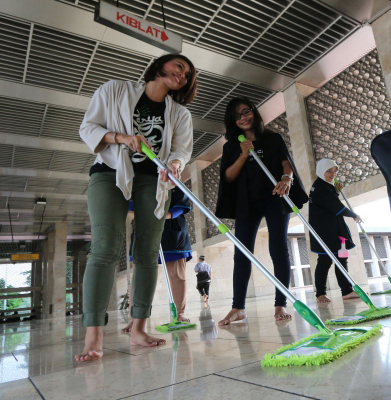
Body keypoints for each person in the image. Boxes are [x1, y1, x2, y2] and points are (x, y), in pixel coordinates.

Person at [76, 54, 197, 362]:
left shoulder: (180, 113)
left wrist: (174, 164)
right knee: (105, 245)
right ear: (160, 66)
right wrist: (122, 138)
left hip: (153, 180)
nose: (182, 75)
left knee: (147, 251)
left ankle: (139, 328)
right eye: (179, 67)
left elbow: (182, 149)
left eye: (187, 74)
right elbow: (88, 127)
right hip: (109, 171)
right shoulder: (114, 90)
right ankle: (93, 335)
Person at [215, 98, 308, 324]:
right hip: (246, 201)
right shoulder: (231, 147)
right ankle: (238, 308)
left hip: (275, 197)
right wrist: (243, 154)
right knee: (242, 253)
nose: (243, 118)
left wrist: (286, 178)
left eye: (246, 112)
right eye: (237, 116)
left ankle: (280, 304)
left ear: (254, 113)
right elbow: (228, 177)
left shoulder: (273, 138)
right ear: (232, 122)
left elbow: (286, 163)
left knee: (278, 249)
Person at [122, 187, 194, 333]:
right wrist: (146, 216)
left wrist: (165, 216)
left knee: (177, 275)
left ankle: (179, 315)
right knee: (139, 278)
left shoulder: (173, 181)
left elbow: (182, 206)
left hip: (173, 233)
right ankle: (134, 319)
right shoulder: (138, 182)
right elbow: (129, 209)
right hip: (145, 231)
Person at [309, 159, 362, 303]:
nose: (333, 174)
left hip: (335, 230)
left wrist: (336, 192)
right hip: (326, 232)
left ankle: (346, 291)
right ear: (321, 171)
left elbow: (329, 204)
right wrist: (354, 215)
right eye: (329, 171)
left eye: (335, 171)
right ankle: (320, 294)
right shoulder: (321, 187)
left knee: (342, 258)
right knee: (325, 261)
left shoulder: (325, 185)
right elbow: (336, 207)